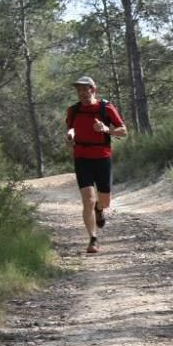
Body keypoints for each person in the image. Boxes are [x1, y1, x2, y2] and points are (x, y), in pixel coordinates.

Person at [65, 76, 128, 254]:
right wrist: (70, 135)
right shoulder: (73, 110)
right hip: (81, 157)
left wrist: (106, 129)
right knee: (88, 200)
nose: (82, 93)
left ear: (94, 89)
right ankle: (93, 239)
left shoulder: (105, 108)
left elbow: (123, 131)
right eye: (79, 90)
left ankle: (99, 210)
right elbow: (70, 128)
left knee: (104, 200)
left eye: (86, 89)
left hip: (102, 156)